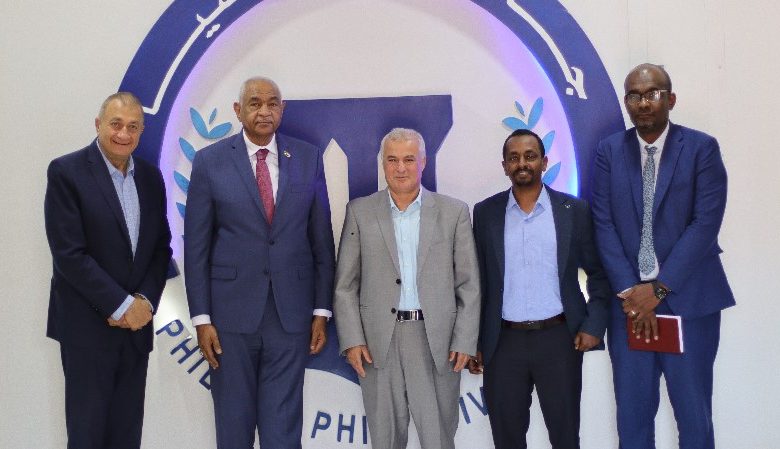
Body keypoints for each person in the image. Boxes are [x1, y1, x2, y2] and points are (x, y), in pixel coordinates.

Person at [184, 76, 335, 449]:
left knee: (283, 428)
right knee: (233, 425)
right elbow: (197, 248)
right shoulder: (209, 162)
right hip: (229, 318)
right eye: (254, 103)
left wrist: (321, 310)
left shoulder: (308, 158)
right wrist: (201, 319)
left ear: (283, 109)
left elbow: (321, 240)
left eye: (272, 103)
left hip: (290, 316)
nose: (264, 111)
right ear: (238, 111)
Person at [590, 63, 735, 449]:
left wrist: (659, 289)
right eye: (634, 96)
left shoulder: (702, 149)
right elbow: (603, 223)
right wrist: (632, 293)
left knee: (694, 419)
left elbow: (705, 224)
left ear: (670, 99)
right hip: (629, 310)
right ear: (626, 102)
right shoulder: (609, 152)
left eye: (652, 94)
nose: (643, 103)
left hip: (689, 302)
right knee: (632, 421)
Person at [333, 128, 480, 449]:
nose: (400, 168)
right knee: (385, 440)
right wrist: (353, 340)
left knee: (438, 439)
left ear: (423, 162)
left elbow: (468, 284)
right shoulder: (359, 212)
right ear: (382, 163)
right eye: (392, 160)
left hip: (436, 341)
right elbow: (345, 285)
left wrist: (465, 340)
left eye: (409, 159)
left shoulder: (454, 213)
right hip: (378, 344)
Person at [44, 92, 172, 449]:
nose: (123, 134)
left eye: (133, 126)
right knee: (87, 436)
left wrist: (144, 302)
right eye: (116, 124)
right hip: (87, 331)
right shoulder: (66, 172)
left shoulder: (151, 178)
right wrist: (122, 305)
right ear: (98, 124)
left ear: (142, 131)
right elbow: (69, 255)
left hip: (136, 332)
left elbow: (160, 249)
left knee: (126, 437)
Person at [468, 129, 610, 449]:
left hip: (559, 340)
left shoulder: (574, 211)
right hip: (502, 343)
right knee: (507, 440)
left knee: (565, 437)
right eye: (514, 157)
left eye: (530, 156)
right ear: (504, 166)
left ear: (544, 163)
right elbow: (478, 282)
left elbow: (599, 275)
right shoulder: (486, 213)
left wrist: (593, 325)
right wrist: (474, 341)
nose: (522, 163)